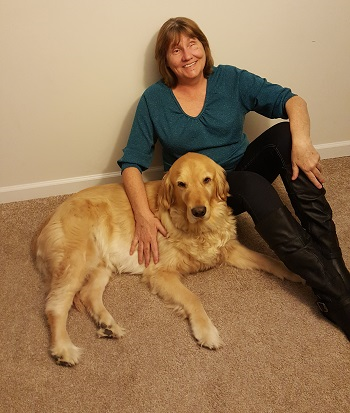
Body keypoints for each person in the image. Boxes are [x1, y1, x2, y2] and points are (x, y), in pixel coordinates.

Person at [118, 17, 350, 339]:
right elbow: (131, 163)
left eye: (192, 44)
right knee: (253, 185)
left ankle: (336, 269)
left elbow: (293, 101)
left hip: (241, 165)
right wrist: (143, 214)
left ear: (204, 46)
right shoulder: (154, 100)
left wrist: (304, 144)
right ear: (165, 60)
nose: (187, 55)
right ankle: (336, 297)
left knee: (285, 135)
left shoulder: (230, 79)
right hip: (206, 192)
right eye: (176, 49)